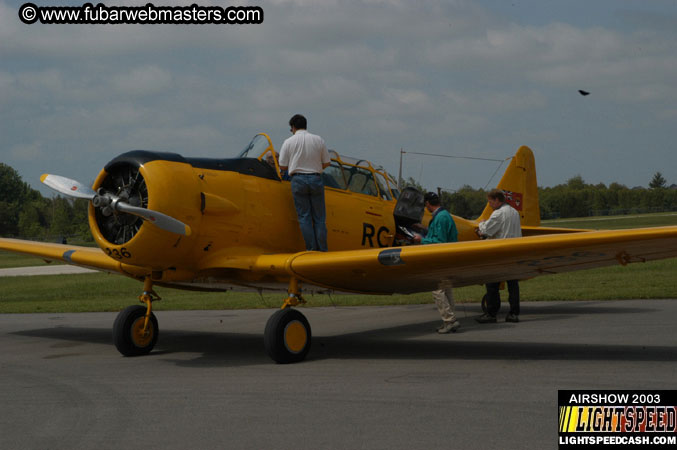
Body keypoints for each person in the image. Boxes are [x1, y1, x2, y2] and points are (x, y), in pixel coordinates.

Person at [279, 114, 331, 252]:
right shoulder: (318, 140)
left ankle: (311, 249)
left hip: (298, 180)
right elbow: (327, 162)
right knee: (319, 218)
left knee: (304, 217)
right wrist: (316, 168)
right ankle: (323, 250)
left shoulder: (288, 142)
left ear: (293, 127)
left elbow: (282, 166)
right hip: (316, 178)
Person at [413, 192, 461, 334]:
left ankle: (450, 320)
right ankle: (450, 320)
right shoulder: (443, 215)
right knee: (446, 290)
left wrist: (421, 240)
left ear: (428, 203)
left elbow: (439, 241)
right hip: (449, 257)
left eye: (425, 204)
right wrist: (422, 229)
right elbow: (437, 234)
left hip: (442, 258)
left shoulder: (440, 217)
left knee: (437, 290)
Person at [475, 188, 522, 323]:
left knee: (492, 285)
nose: (489, 204)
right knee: (513, 285)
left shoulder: (498, 214)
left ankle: (491, 313)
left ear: (496, 200)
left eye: (490, 201)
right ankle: (514, 313)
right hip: (514, 252)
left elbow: (486, 230)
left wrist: (481, 224)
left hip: (500, 254)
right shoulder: (514, 212)